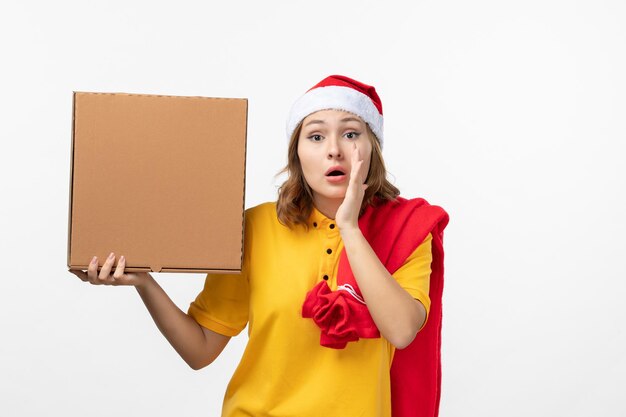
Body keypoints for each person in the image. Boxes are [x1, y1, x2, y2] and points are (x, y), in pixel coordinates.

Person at [71, 75, 449, 417]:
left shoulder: (410, 230)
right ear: (298, 156)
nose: (334, 149)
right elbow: (200, 350)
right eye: (316, 136)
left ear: (373, 149)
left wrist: (348, 225)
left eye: (351, 134)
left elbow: (401, 331)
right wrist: (143, 281)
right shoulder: (255, 228)